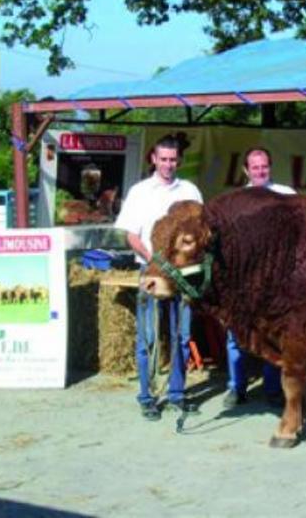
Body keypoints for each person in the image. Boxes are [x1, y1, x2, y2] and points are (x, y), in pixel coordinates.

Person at [115, 135, 203, 421]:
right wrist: (156, 261)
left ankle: (177, 393)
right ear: (154, 159)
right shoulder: (140, 191)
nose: (168, 164)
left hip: (182, 275)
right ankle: (148, 396)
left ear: (179, 160)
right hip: (152, 271)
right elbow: (130, 235)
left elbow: (200, 233)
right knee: (149, 338)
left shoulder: (190, 190)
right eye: (163, 159)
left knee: (182, 335)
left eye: (173, 159)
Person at [223, 147, 296, 409]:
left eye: (264, 166)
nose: (260, 171)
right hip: (243, 282)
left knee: (272, 336)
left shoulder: (287, 196)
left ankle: (273, 390)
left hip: (276, 281)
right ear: (246, 170)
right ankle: (236, 388)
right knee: (236, 337)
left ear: (270, 167)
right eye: (255, 167)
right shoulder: (233, 203)